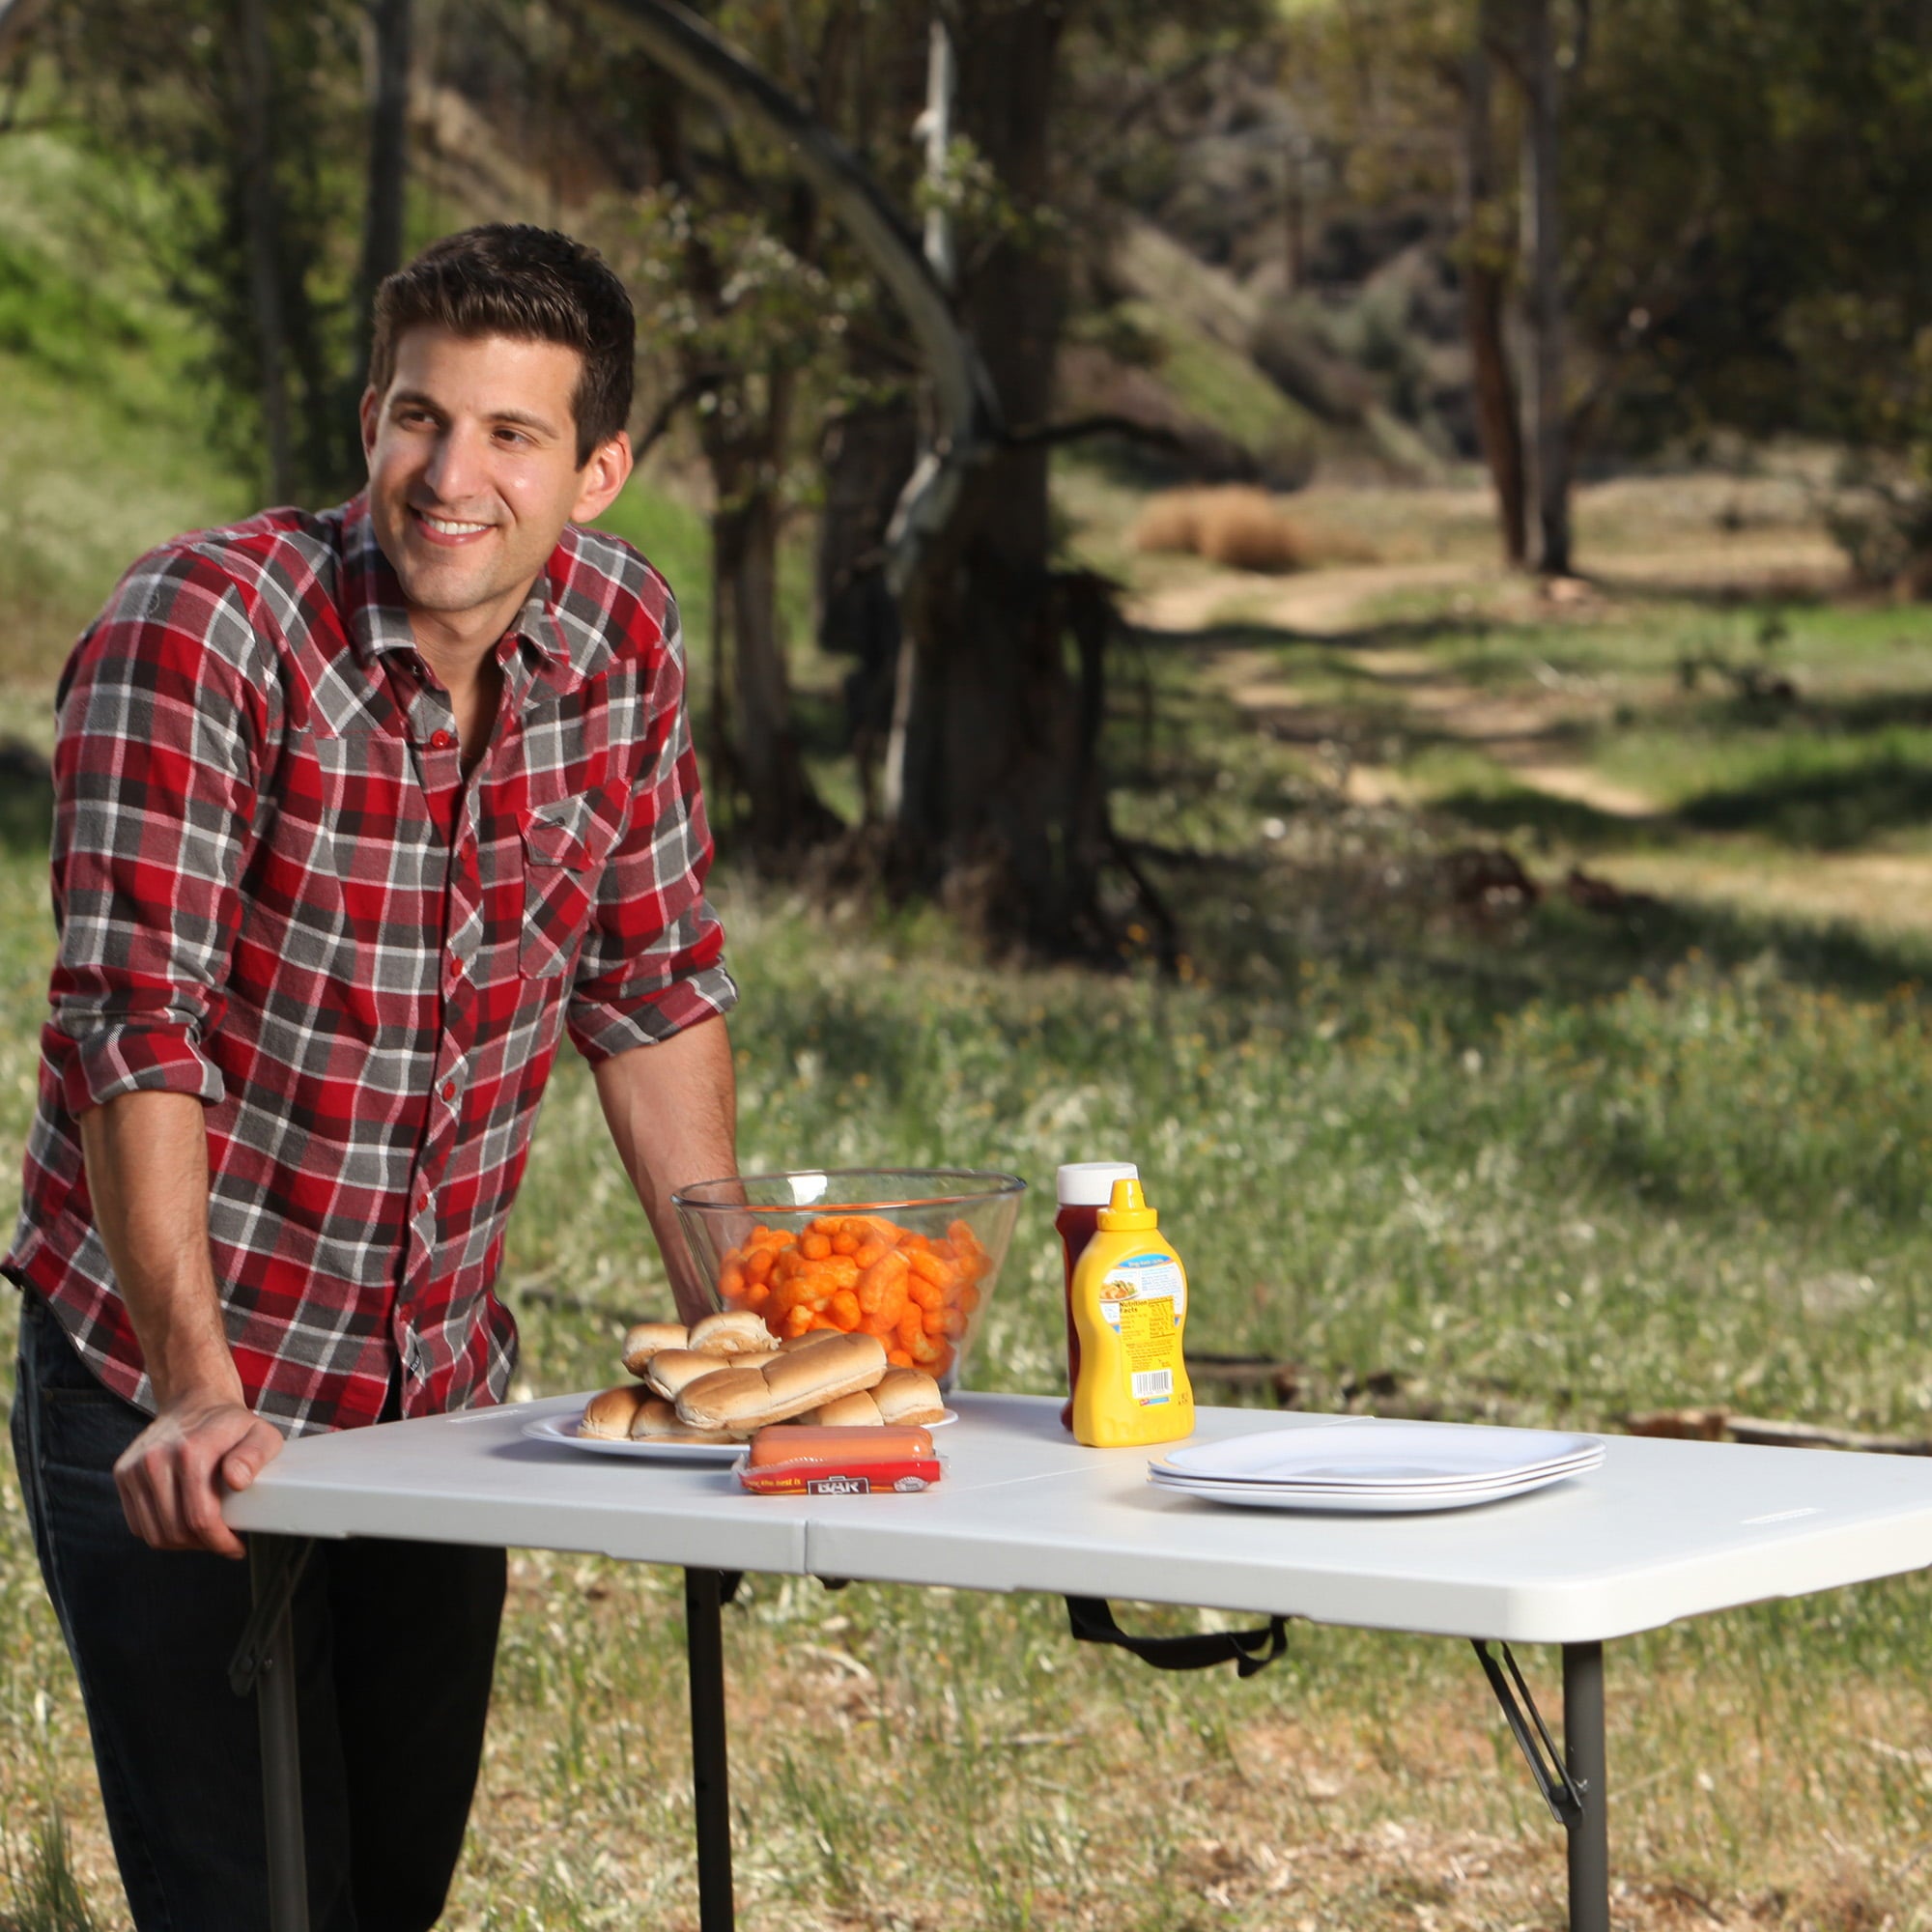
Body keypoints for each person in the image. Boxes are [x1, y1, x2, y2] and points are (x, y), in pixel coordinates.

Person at [4, 223, 738, 1929]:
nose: (450, 476)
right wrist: (195, 1384)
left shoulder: (621, 634)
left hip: (438, 1399)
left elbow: (653, 987)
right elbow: (134, 1026)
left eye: (510, 435)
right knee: (252, 1902)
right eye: (420, 419)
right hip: (174, 1381)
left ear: (599, 471)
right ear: (368, 422)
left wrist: (745, 1356)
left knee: (386, 1897)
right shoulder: (204, 630)